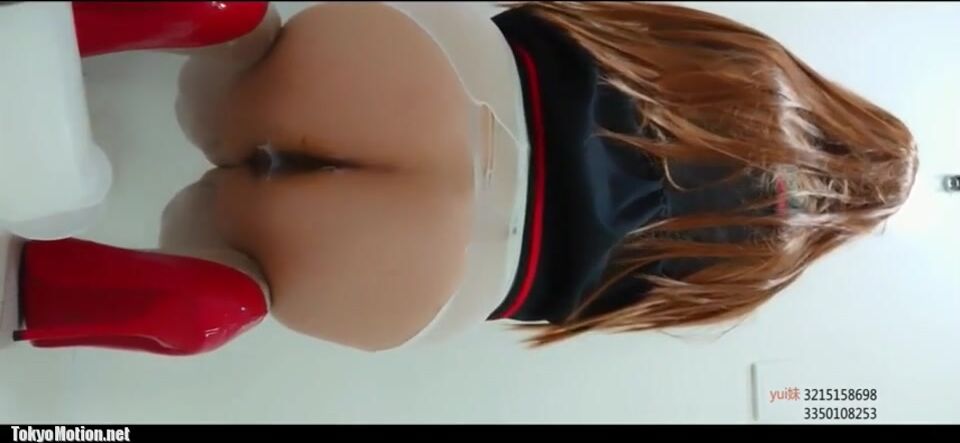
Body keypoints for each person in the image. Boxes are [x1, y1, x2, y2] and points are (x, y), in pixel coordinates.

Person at [13, 2, 917, 355]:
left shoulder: (759, 72)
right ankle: (164, 302)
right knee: (245, 265)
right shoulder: (755, 272)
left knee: (243, 59)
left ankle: (189, 13)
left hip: (445, 80)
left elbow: (585, 21)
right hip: (449, 267)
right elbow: (588, 309)